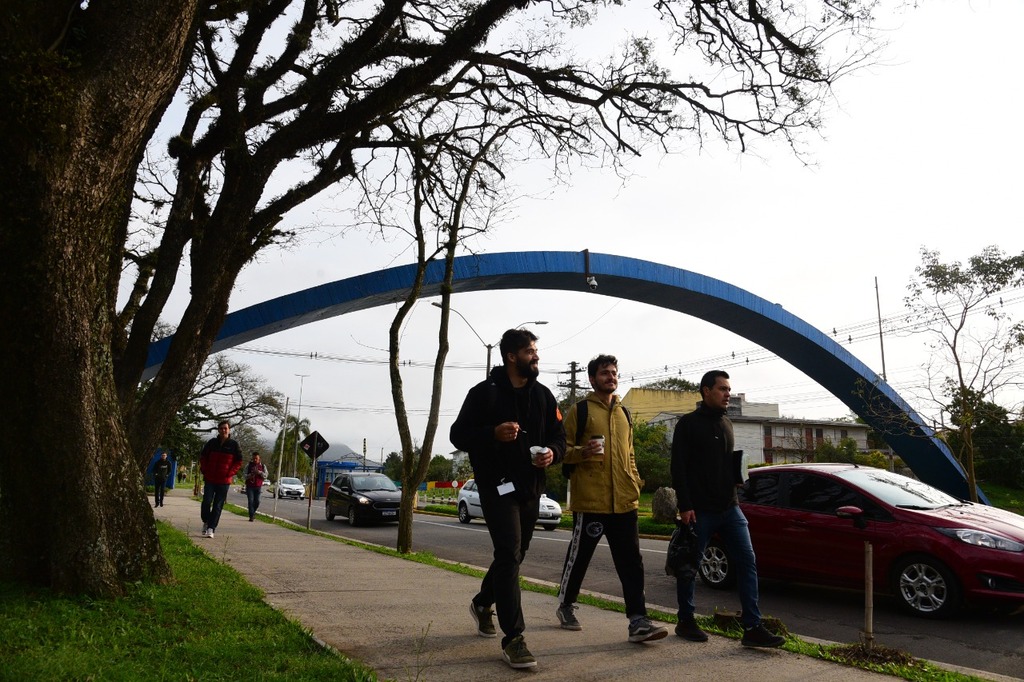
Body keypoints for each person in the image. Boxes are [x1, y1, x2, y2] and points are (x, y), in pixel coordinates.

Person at [450, 328, 566, 670]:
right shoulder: (483, 394)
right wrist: (492, 434)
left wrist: (552, 454)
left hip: (531, 488)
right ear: (512, 356)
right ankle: (514, 638)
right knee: (508, 553)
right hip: (496, 488)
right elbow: (458, 434)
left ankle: (483, 602)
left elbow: (559, 435)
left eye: (536, 351)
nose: (537, 356)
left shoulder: (544, 396)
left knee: (514, 556)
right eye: (531, 351)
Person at [556, 355, 667, 643]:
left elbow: (629, 455)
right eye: (605, 373)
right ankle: (566, 605)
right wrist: (583, 452)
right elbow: (560, 451)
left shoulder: (625, 414)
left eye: (614, 373)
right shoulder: (578, 411)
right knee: (579, 558)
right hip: (591, 501)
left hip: (625, 502)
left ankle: (638, 620)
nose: (611, 377)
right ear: (592, 379)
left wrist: (636, 481)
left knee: (632, 562)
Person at [671, 370, 785, 648]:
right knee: (689, 566)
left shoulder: (726, 423)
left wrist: (737, 475)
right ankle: (686, 620)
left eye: (729, 389)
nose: (727, 393)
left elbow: (724, 462)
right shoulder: (687, 424)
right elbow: (678, 467)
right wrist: (685, 505)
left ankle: (752, 627)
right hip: (700, 510)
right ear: (706, 391)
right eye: (722, 389)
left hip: (731, 508)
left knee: (747, 562)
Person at [199, 420, 243, 539]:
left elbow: (239, 461)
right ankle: (206, 521)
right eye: (221, 428)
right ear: (218, 430)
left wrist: (230, 473)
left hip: (224, 481)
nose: (223, 430)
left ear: (229, 430)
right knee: (206, 502)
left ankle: (211, 528)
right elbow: (203, 457)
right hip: (210, 478)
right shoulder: (212, 443)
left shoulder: (234, 445)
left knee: (218, 505)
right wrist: (204, 469)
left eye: (226, 428)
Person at [244, 452, 269, 521]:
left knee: (257, 501)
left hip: (258, 486)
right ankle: (251, 516)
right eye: (254, 458)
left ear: (259, 459)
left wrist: (260, 472)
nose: (255, 460)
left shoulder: (263, 466)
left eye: (256, 458)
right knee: (250, 501)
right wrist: (250, 475)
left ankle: (252, 511)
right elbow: (244, 475)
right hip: (250, 486)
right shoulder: (248, 465)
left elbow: (266, 475)